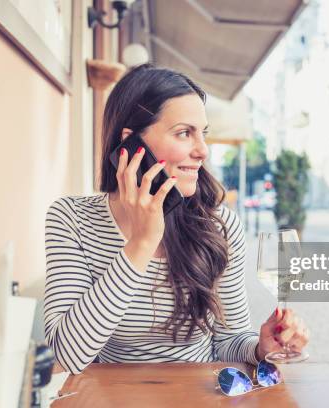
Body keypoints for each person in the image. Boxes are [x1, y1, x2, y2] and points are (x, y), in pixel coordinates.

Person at [44, 64, 309, 374]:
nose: (202, 151)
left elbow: (228, 340)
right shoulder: (72, 219)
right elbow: (64, 357)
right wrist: (141, 244)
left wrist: (259, 348)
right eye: (184, 133)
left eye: (203, 134)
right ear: (132, 144)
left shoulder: (218, 225)